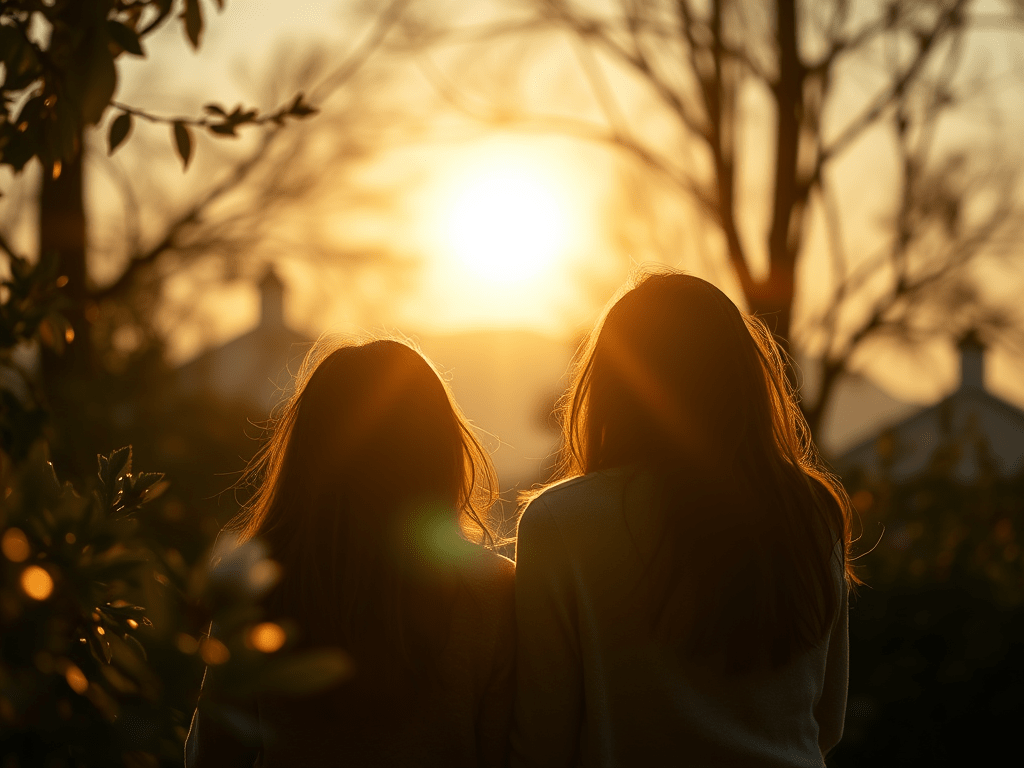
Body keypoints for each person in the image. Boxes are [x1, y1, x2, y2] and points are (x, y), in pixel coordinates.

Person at [511, 270, 857, 767]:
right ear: (741, 376)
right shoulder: (811, 508)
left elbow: (544, 740)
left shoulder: (561, 522)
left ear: (610, 384)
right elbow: (827, 722)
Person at [185, 337, 515, 768]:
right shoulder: (494, 591)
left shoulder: (253, 583)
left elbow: (212, 757)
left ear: (306, 454)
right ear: (442, 449)